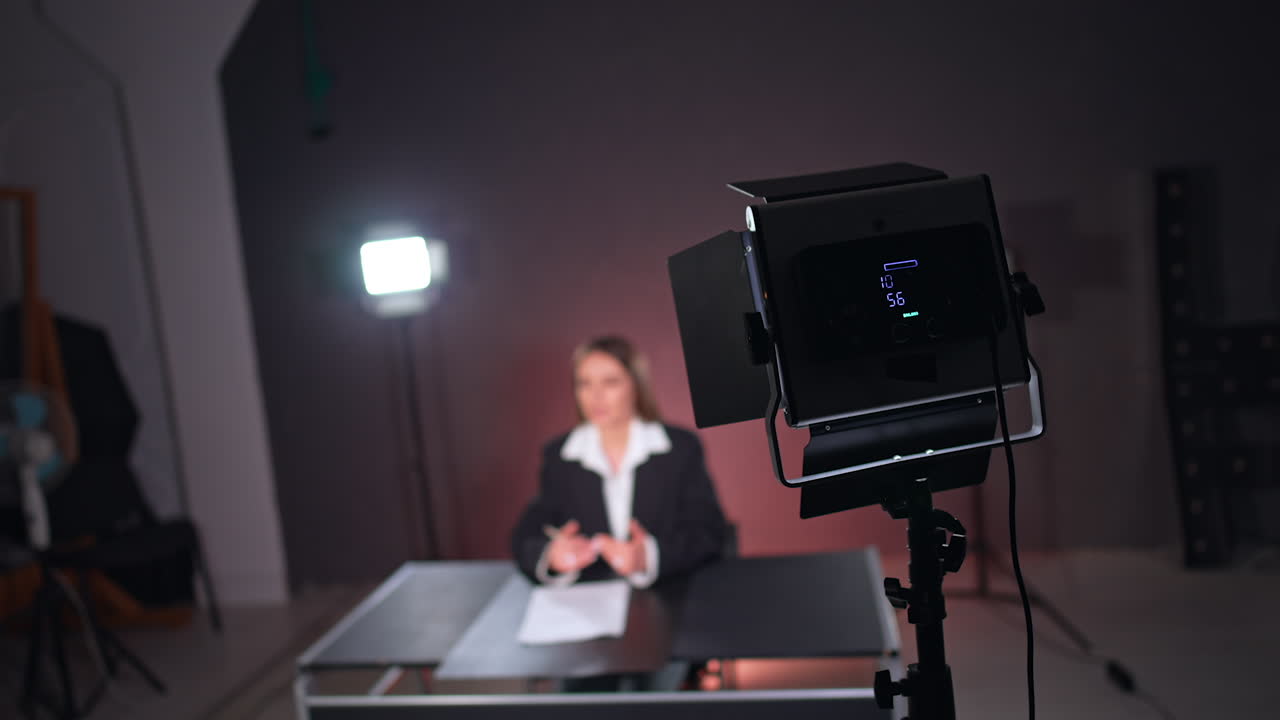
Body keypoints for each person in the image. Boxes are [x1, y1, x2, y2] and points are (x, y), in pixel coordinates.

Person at [511, 335, 727, 589]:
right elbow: (525, 536)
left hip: (670, 594)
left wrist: (649, 555)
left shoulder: (679, 447)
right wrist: (552, 555)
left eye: (610, 382)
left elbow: (709, 532)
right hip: (590, 600)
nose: (595, 396)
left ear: (636, 385)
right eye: (584, 383)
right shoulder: (560, 455)